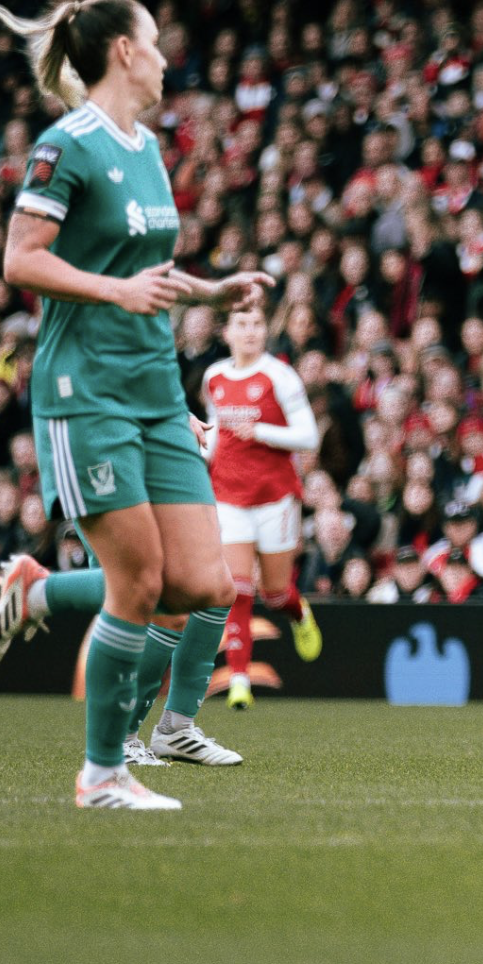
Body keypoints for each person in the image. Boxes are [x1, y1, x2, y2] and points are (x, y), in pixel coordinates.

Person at [0, 0, 268, 808]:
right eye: (156, 42)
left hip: (155, 389)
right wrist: (114, 290)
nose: (167, 57)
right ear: (125, 53)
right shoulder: (66, 145)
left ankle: (35, 593)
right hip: (87, 391)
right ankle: (103, 774)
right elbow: (20, 260)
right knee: (137, 583)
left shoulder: (147, 148)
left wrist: (211, 292)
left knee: (202, 584)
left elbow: (149, 275)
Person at [203, 300, 323, 710]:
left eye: (256, 323)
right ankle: (240, 681)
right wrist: (196, 451)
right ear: (227, 332)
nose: (250, 331)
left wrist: (261, 431)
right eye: (242, 323)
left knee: (274, 593)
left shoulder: (280, 376)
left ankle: (299, 612)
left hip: (275, 496)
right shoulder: (214, 376)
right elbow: (216, 432)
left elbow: (309, 436)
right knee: (237, 587)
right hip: (228, 495)